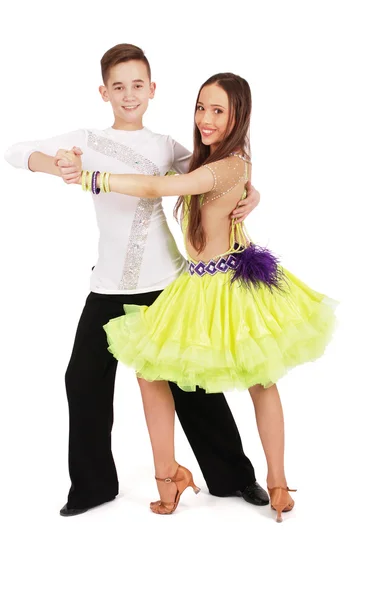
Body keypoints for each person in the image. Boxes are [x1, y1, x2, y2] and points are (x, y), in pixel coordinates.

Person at [57, 71, 336, 522]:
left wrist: (92, 177)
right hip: (194, 281)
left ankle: (277, 481)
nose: (206, 118)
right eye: (201, 107)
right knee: (152, 372)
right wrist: (254, 191)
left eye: (218, 111)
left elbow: (155, 187)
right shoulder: (213, 160)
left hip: (230, 286)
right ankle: (170, 477)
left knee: (259, 378)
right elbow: (202, 178)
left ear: (238, 116)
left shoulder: (224, 165)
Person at [4, 44, 268, 517]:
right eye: (119, 86)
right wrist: (56, 163)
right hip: (107, 285)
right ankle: (92, 487)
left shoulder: (165, 146)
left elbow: (217, 172)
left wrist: (255, 191)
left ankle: (234, 479)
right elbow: (15, 152)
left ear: (152, 90)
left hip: (167, 283)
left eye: (138, 85)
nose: (129, 95)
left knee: (192, 384)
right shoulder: (85, 139)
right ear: (104, 92)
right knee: (82, 380)